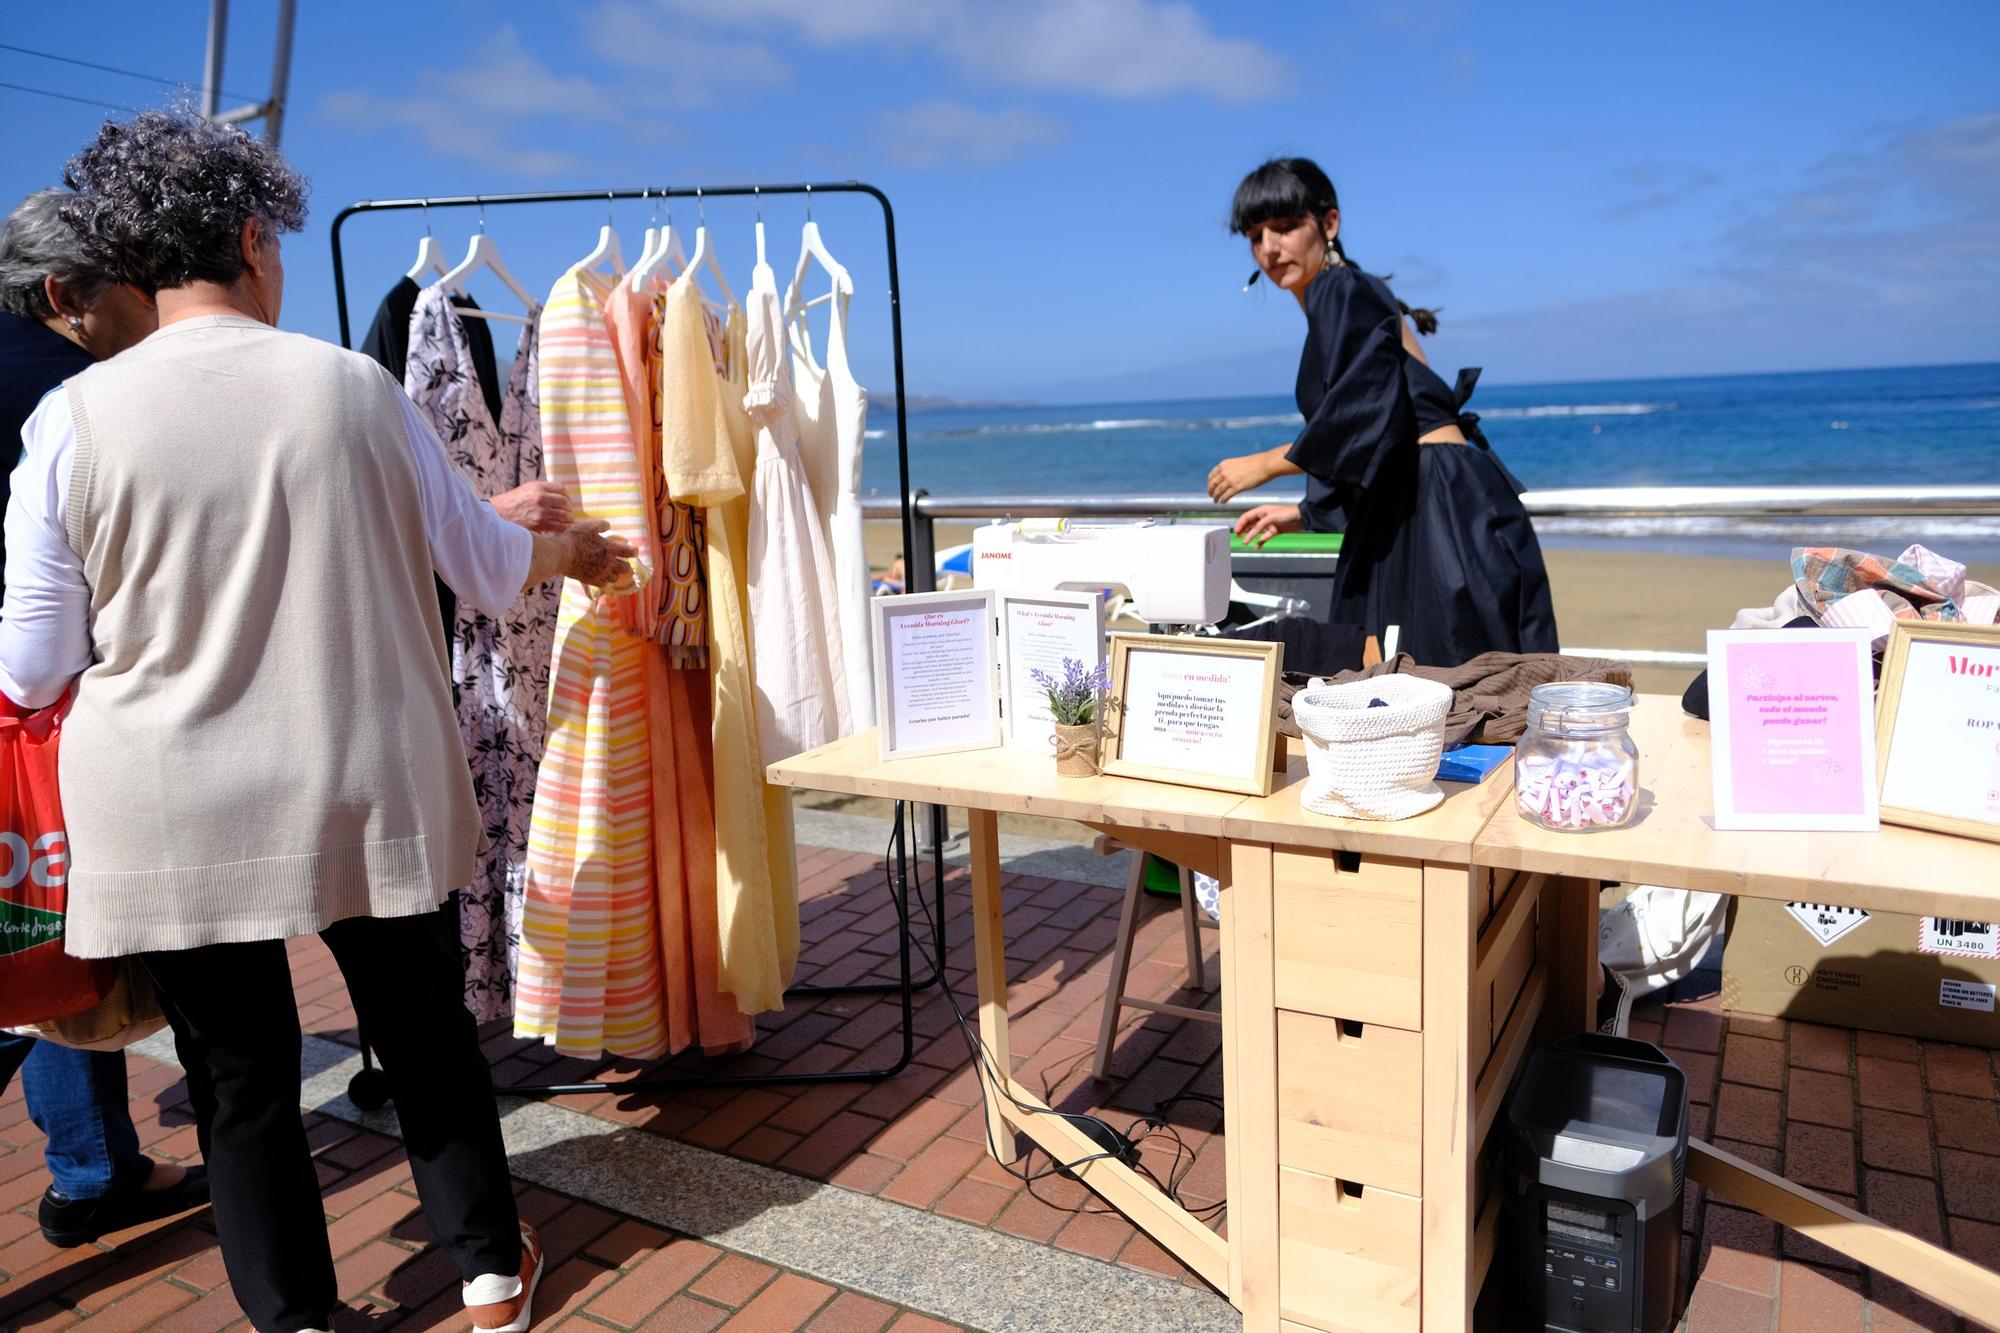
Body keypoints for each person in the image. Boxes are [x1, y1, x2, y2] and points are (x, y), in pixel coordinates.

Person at [0, 111, 635, 1333]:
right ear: (251, 234)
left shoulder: (71, 420)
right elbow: (485, 562)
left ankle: (297, 1317)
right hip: (366, 774)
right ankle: (491, 1276)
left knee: (238, 1081)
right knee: (424, 1035)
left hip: (170, 796)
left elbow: (30, 665)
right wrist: (573, 549)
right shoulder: (355, 386)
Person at [0, 188, 212, 1249]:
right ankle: (94, 1169)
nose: (155, 301)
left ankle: (95, 1168)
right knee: (35, 936)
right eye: (134, 284)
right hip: (34, 714)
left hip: (20, 711)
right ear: (65, 296)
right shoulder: (74, 397)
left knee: (41, 930)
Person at [1207, 157, 1558, 666]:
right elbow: (1385, 429)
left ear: (1328, 224)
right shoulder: (1358, 292)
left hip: (1436, 506)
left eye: (1284, 227)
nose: (1268, 248)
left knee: (1438, 685)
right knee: (1454, 682)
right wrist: (1305, 513)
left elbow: (1366, 414)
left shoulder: (1339, 288)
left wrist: (1264, 463)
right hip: (1432, 498)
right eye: (1254, 235)